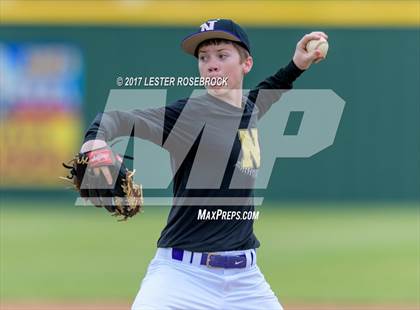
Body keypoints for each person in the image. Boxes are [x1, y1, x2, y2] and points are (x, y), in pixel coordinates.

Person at [81, 18, 327, 310]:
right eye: (204, 57)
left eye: (222, 56)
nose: (211, 64)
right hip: (181, 276)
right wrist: (94, 141)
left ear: (246, 64)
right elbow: (116, 119)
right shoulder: (189, 115)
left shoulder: (248, 108)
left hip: (246, 281)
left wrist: (298, 64)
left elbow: (272, 87)